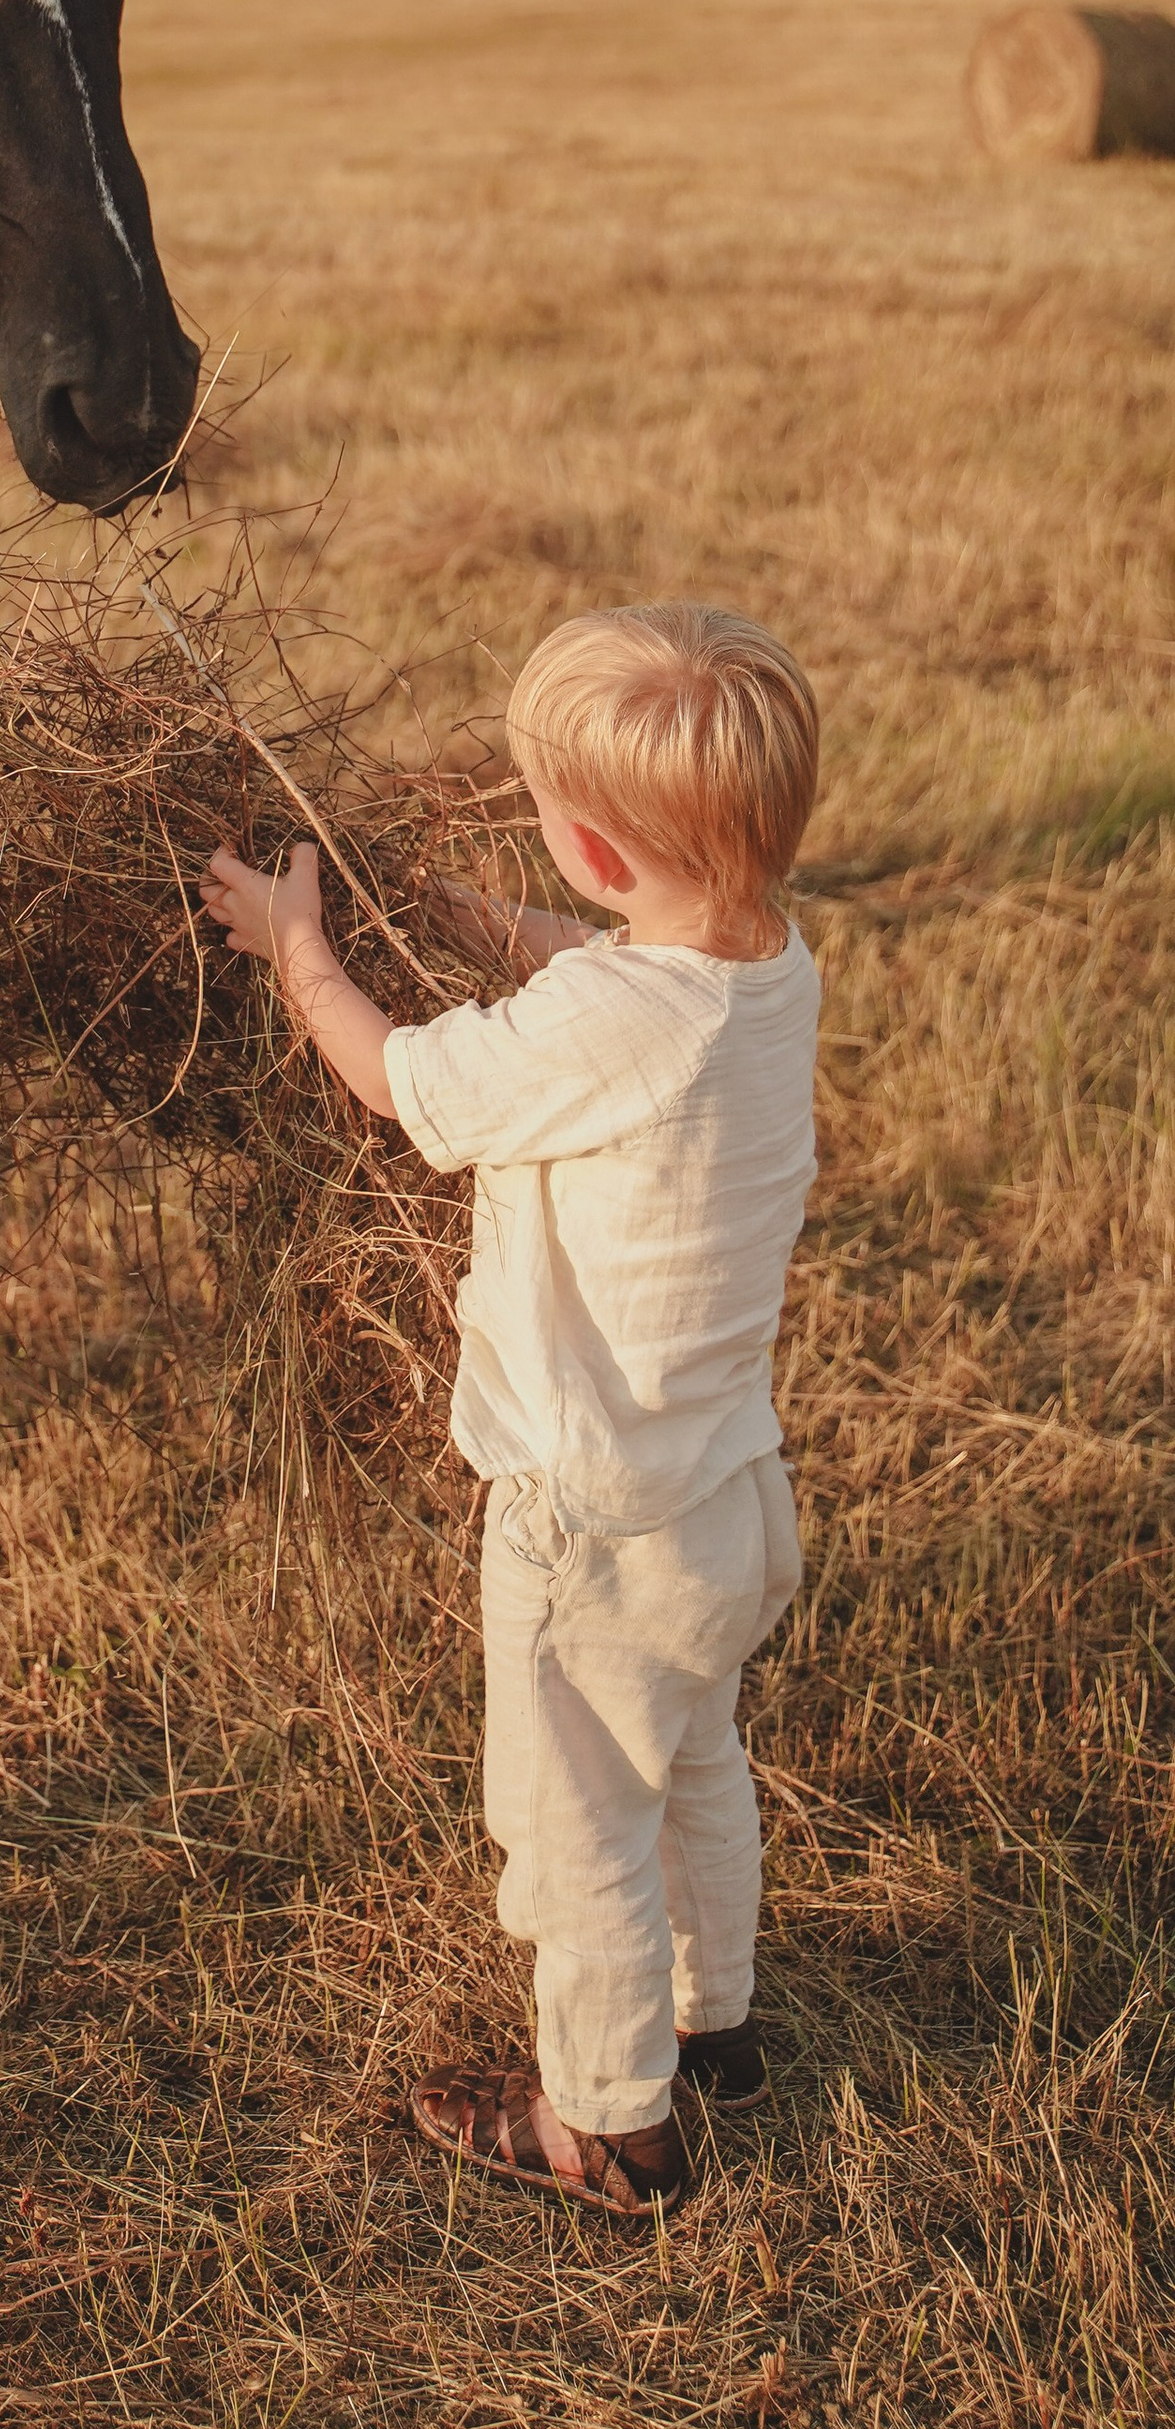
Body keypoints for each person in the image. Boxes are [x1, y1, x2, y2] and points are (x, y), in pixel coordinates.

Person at [202, 600, 821, 2222]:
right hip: (729, 1497)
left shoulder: (616, 1023)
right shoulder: (764, 961)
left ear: (605, 855)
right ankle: (720, 2026)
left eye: (551, 817)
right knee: (695, 1764)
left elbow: (409, 1086)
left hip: (593, 1522)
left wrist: (301, 951)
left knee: (581, 1829)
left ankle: (607, 2128)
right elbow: (616, 964)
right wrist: (491, 917)